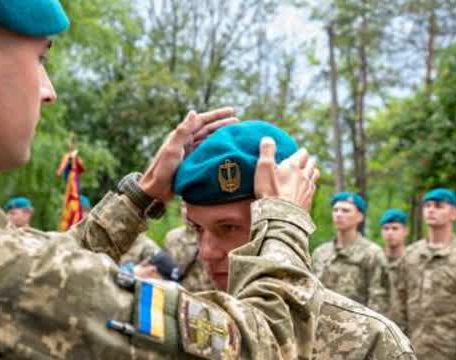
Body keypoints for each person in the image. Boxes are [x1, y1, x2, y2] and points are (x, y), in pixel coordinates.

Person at [0, 1, 327, 359]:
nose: (49, 91)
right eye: (42, 60)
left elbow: (28, 269)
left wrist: (143, 196)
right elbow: (266, 344)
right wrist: (284, 221)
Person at [174, 120, 415, 359]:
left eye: (228, 227)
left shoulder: (368, 340)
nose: (206, 252)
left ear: (288, 215)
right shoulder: (190, 328)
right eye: (197, 229)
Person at [391, 188, 456, 360]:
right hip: (413, 349)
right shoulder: (410, 255)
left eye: (439, 206)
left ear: (454, 213)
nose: (431, 210)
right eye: (427, 206)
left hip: (451, 351)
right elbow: (399, 303)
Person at [311, 192, 389, 314]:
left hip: (357, 329)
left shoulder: (372, 253)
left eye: (345, 211)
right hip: (320, 326)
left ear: (360, 217)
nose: (338, 214)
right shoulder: (320, 253)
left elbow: (378, 301)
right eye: (335, 210)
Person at [163, 202, 216, 292]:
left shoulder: (212, 234)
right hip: (185, 294)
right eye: (183, 206)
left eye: (189, 206)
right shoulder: (172, 238)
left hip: (211, 293)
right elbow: (168, 270)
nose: (185, 211)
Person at [379, 208, 408, 317]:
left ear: (405, 231)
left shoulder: (413, 260)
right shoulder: (375, 259)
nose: (390, 233)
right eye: (386, 229)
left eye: (395, 228)